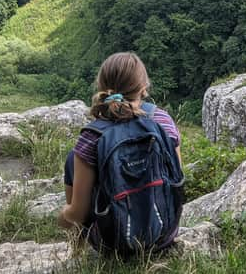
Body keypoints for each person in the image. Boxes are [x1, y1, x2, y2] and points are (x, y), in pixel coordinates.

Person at [58, 52, 183, 252]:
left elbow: (77, 214)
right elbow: (177, 182)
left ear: (102, 89)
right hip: (163, 235)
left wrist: (63, 216)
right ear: (144, 89)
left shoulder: (91, 138)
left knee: (73, 158)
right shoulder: (164, 122)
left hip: (113, 245)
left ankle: (76, 244)